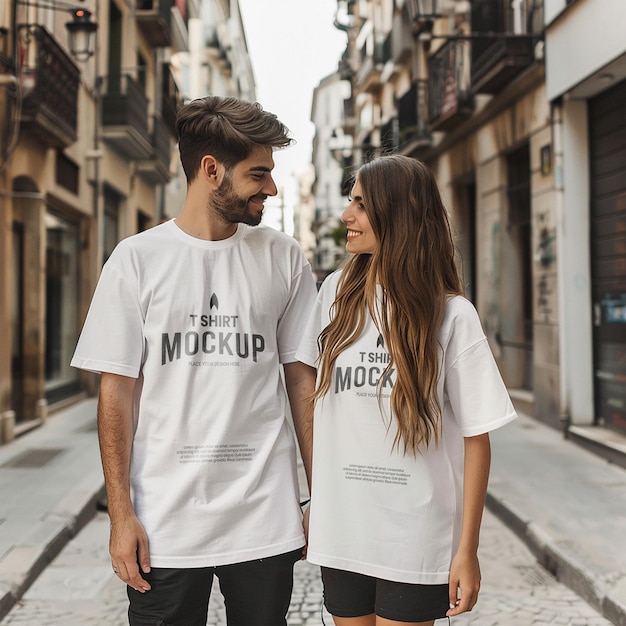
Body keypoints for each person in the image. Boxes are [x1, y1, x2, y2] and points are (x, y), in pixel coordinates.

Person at [71, 95, 318, 626]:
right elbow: (116, 393)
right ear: (212, 170)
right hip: (165, 524)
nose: (271, 189)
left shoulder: (284, 258)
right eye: (259, 174)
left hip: (263, 518)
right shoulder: (136, 261)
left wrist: (322, 495)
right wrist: (121, 516)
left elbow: (302, 382)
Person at [295, 155, 517, 626]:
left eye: (360, 204)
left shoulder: (452, 316)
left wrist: (467, 550)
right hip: (345, 531)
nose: (345, 216)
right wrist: (318, 498)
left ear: (398, 214)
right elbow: (313, 397)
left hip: (415, 536)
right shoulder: (335, 292)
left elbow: (478, 436)